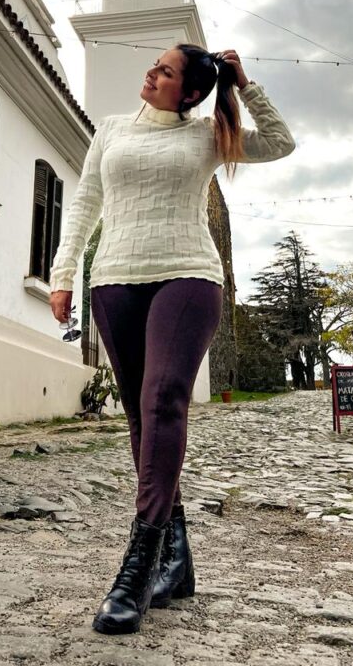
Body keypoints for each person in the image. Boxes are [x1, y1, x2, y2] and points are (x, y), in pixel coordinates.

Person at [49, 43, 295, 635]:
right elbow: (85, 202)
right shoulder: (110, 130)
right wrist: (64, 274)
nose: (150, 72)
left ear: (189, 91)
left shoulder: (211, 133)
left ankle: (138, 564)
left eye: (164, 70)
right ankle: (176, 558)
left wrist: (244, 83)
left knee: (163, 401)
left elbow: (281, 142)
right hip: (114, 279)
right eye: (153, 65)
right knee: (139, 417)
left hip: (188, 274)